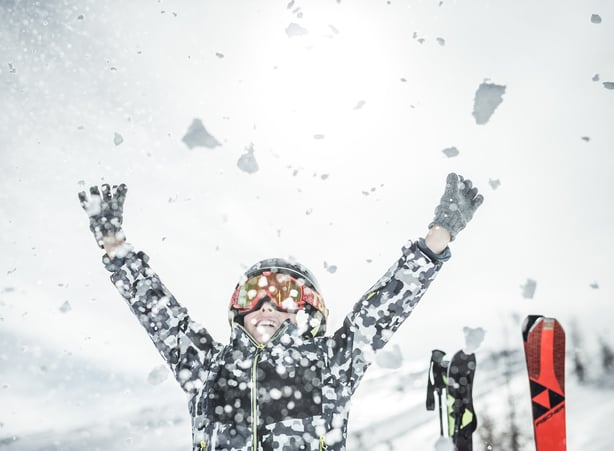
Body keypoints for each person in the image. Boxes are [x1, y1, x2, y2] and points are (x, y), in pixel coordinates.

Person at [78, 173, 483, 451]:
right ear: (239, 307)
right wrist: (115, 247)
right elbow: (159, 315)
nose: (267, 304)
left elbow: (379, 312)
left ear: (309, 309)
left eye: (286, 294)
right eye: (255, 292)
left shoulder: (330, 365)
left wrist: (436, 239)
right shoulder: (210, 369)